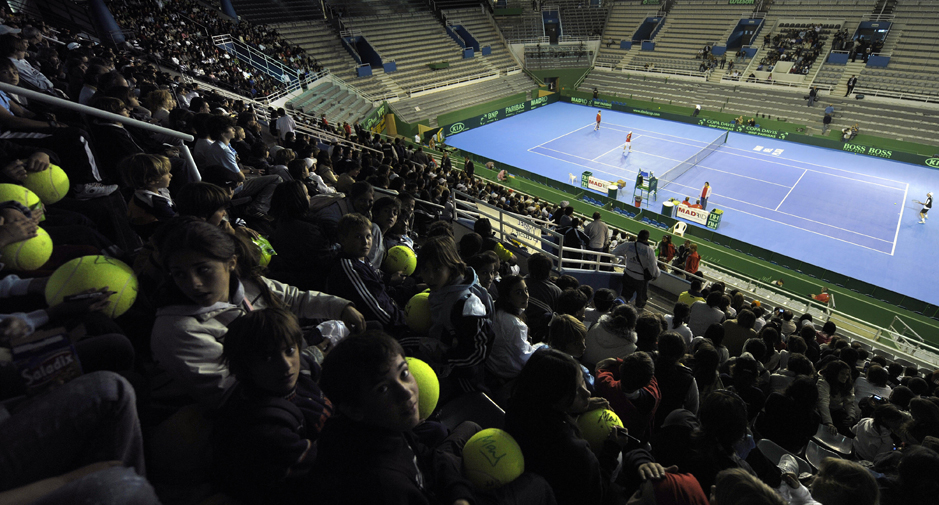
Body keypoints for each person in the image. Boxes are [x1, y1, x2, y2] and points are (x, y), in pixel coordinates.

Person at [149, 218, 365, 408]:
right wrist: (309, 360)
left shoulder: (249, 284)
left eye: (202, 269)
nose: (193, 284)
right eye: (179, 274)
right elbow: (233, 392)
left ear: (231, 263)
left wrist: (341, 307)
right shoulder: (177, 329)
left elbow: (293, 298)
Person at [315, 332, 554, 504]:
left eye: (404, 373)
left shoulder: (385, 424)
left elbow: (428, 454)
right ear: (354, 409)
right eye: (382, 389)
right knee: (537, 484)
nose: (406, 391)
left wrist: (458, 494)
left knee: (470, 426)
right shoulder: (383, 486)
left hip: (442, 489)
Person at [212, 308, 333, 502]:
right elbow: (329, 466)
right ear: (245, 366)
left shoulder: (298, 378)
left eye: (289, 350)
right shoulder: (266, 428)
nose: (285, 365)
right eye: (267, 357)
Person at [505, 348, 630, 505]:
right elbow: (595, 495)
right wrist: (611, 451)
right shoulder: (575, 451)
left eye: (582, 381)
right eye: (575, 392)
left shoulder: (516, 406)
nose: (587, 394)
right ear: (554, 399)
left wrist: (572, 409)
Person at [417, 235, 495, 398]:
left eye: (437, 269)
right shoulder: (441, 289)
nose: (430, 277)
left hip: (464, 378)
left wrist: (446, 357)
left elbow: (478, 352)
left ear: (451, 268)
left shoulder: (467, 304)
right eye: (425, 269)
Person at [326, 213, 408, 335]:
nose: (365, 242)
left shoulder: (362, 260)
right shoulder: (349, 267)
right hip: (375, 330)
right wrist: (406, 322)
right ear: (343, 239)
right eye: (358, 237)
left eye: (368, 236)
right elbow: (376, 309)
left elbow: (380, 290)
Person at [486, 275, 542, 385]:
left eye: (526, 290)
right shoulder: (514, 324)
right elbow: (526, 357)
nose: (526, 296)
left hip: (493, 367)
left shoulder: (495, 308)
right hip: (507, 373)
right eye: (519, 293)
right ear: (507, 297)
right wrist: (543, 347)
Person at [612, 230, 659, 309]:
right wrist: (656, 275)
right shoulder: (649, 250)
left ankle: (620, 310)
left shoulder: (628, 245)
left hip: (628, 275)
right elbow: (653, 268)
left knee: (624, 297)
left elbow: (614, 252)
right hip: (641, 280)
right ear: (647, 239)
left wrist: (625, 256)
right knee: (640, 300)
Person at [583, 303, 638, 370]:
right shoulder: (632, 349)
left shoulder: (596, 327)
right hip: (601, 378)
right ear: (633, 325)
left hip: (581, 368)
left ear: (611, 315)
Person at [817, 360, 859, 436]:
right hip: (821, 411)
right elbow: (823, 403)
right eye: (842, 373)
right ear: (834, 373)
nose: (845, 377)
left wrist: (851, 416)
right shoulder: (823, 382)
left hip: (836, 411)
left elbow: (849, 402)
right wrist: (829, 423)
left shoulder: (848, 385)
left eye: (847, 374)